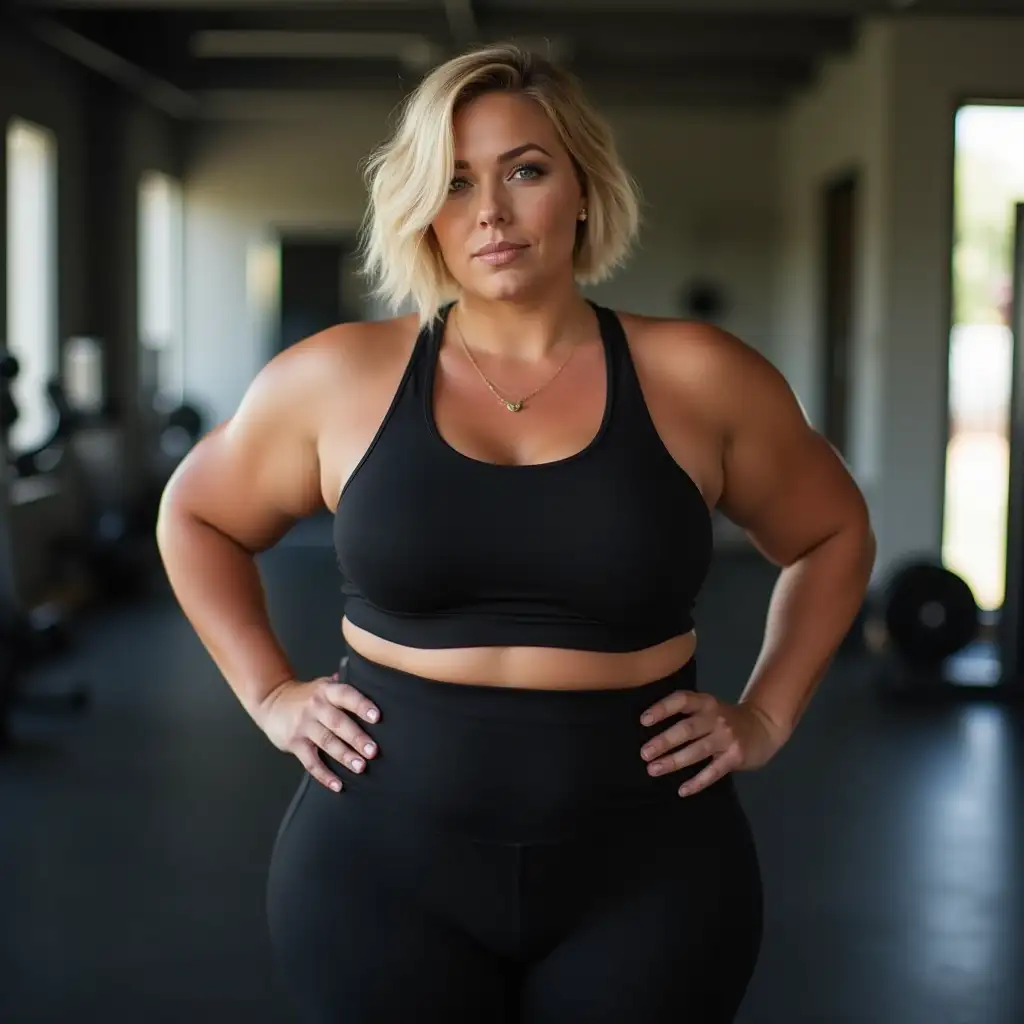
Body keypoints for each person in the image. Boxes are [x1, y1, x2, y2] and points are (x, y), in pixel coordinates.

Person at [156, 42, 875, 1024]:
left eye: (523, 170)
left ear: (582, 188)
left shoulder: (698, 375)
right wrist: (271, 691)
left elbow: (833, 532)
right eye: (452, 184)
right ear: (422, 211)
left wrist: (766, 714)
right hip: (376, 868)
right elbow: (193, 514)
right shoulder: (336, 377)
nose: (489, 210)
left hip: (650, 870)